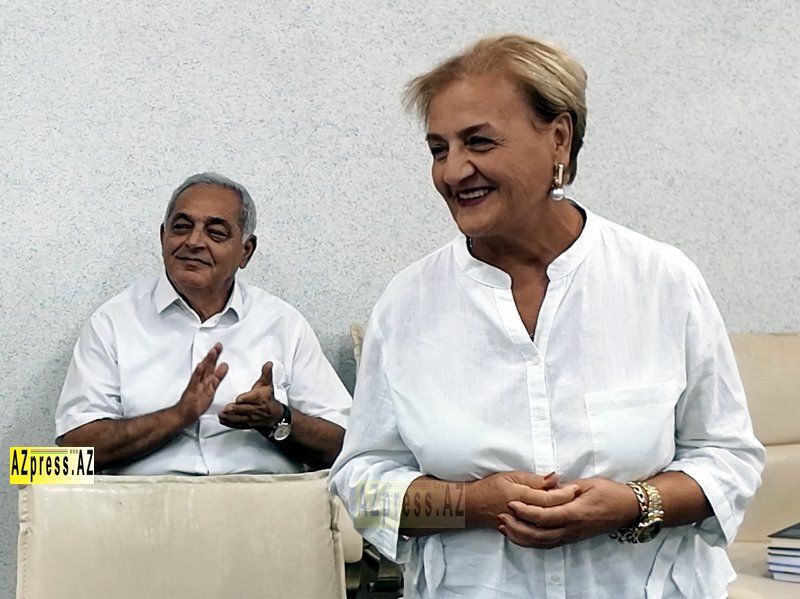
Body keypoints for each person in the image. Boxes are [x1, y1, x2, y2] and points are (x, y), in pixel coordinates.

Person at [329, 34, 765, 598]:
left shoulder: (661, 280)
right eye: (438, 149)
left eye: (479, 142)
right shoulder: (407, 303)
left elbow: (730, 460)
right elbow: (362, 488)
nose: (453, 171)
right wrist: (471, 505)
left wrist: (633, 504)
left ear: (558, 137)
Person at [56, 172, 351, 474]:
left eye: (216, 233)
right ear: (163, 236)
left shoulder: (283, 323)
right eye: (182, 227)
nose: (194, 242)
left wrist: (277, 419)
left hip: (263, 496)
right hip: (149, 498)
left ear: (246, 251)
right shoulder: (112, 322)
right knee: (32, 470)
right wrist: (178, 416)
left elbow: (346, 449)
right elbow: (71, 455)